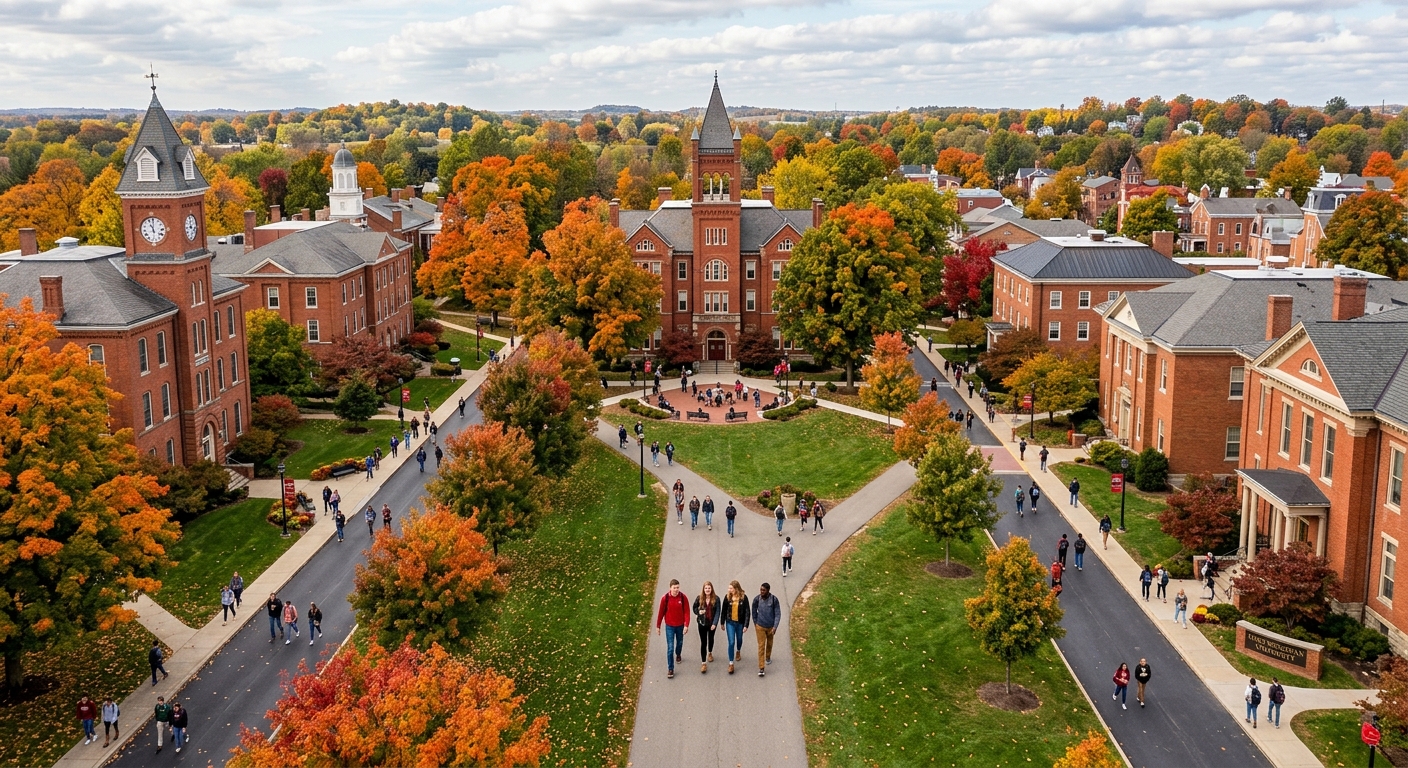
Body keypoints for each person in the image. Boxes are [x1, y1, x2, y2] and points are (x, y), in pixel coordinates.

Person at [655, 579, 690, 679]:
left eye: (678, 587)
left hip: (680, 626)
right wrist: (658, 626)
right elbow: (661, 613)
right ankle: (670, 669)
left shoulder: (683, 598)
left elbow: (686, 612)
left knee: (679, 643)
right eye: (674, 588)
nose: (676, 590)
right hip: (669, 626)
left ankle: (678, 654)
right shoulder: (665, 598)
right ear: (670, 588)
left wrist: (686, 625)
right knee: (670, 648)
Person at [752, 583, 782, 677]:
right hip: (760, 626)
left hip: (770, 627)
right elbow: (753, 611)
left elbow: (777, 613)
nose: (761, 592)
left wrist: (775, 626)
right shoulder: (757, 599)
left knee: (769, 643)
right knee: (761, 646)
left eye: (763, 590)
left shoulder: (774, 600)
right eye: (760, 590)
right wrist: (755, 622)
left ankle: (768, 657)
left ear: (768, 590)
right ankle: (761, 668)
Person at [722, 581, 750, 675]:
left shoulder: (743, 598)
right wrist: (722, 622)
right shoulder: (727, 597)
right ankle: (731, 663)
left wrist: (746, 625)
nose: (729, 590)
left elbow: (747, 612)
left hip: (740, 623)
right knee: (731, 642)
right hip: (730, 622)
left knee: (739, 639)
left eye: (731, 588)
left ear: (736, 589)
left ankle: (738, 650)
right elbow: (723, 610)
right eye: (729, 588)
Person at [693, 582, 720, 674]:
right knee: (703, 642)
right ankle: (703, 663)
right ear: (703, 589)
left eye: (709, 588)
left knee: (711, 639)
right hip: (702, 623)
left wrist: (715, 624)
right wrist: (698, 612)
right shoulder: (699, 598)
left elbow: (717, 612)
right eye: (706, 588)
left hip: (711, 623)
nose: (707, 590)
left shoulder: (716, 599)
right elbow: (694, 608)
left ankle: (710, 652)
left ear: (711, 589)